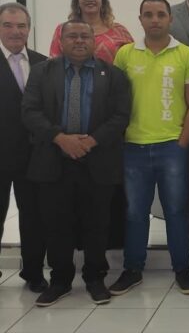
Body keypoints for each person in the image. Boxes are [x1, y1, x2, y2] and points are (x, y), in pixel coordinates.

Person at [22, 20, 131, 306]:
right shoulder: (42, 72)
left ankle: (95, 278)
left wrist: (90, 141)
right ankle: (60, 280)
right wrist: (60, 138)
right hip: (53, 159)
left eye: (85, 36)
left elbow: (121, 116)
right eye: (72, 36)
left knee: (97, 223)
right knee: (56, 224)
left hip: (98, 160)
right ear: (61, 41)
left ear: (94, 41)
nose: (79, 40)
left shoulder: (114, 75)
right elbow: (30, 112)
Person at [109, 0, 189, 296]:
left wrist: (182, 143)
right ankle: (132, 269)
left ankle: (182, 269)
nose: (155, 20)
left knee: (176, 212)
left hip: (172, 148)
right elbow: (115, 102)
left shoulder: (187, 55)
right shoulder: (125, 54)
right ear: (140, 19)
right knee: (135, 212)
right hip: (133, 148)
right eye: (148, 14)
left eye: (161, 14)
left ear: (170, 19)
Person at [0, 2, 47, 290]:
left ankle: (33, 273)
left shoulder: (44, 63)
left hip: (34, 155)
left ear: (29, 28)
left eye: (21, 25)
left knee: (34, 217)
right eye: (8, 25)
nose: (15, 31)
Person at [49, 0, 133, 65]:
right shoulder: (63, 30)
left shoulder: (119, 31)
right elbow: (53, 65)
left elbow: (133, 62)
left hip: (112, 74)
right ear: (77, 1)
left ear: (102, 0)